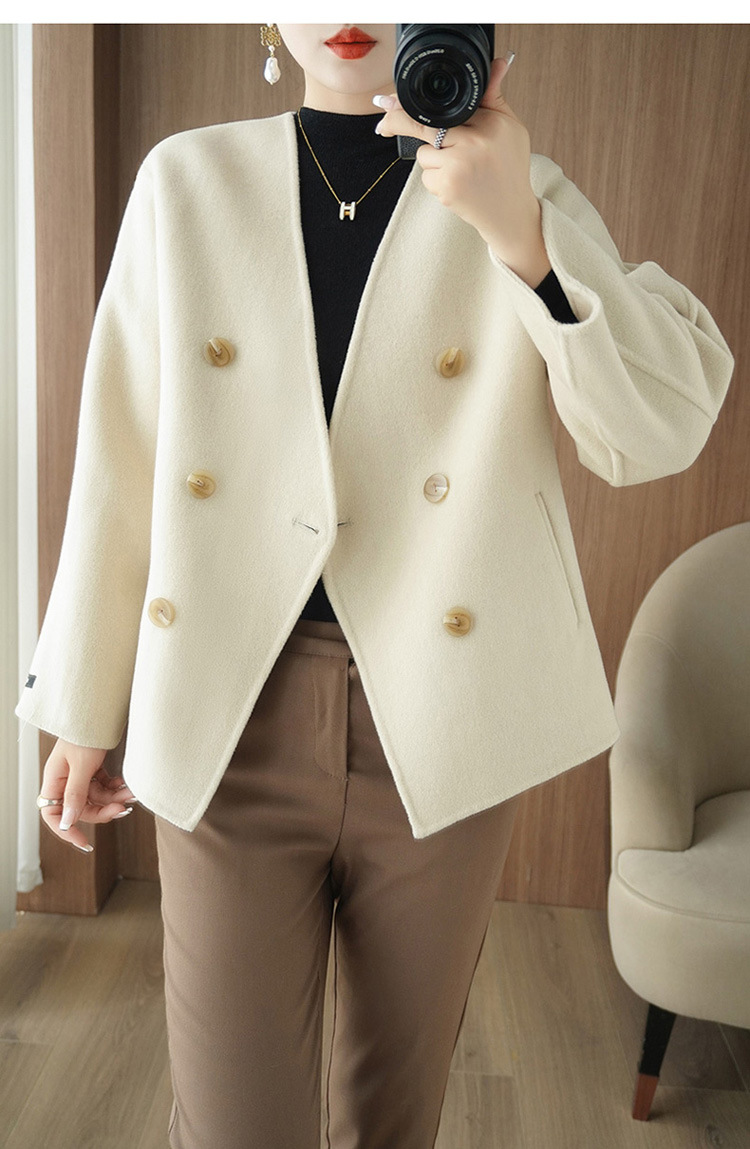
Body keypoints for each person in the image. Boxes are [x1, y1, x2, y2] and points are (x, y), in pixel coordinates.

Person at [17, 23, 734, 1149]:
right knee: (233, 1125)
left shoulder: (521, 189)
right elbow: (124, 452)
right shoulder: (187, 181)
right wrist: (83, 705)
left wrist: (523, 235)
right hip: (228, 708)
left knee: (394, 1116)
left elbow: (653, 435)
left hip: (440, 711)